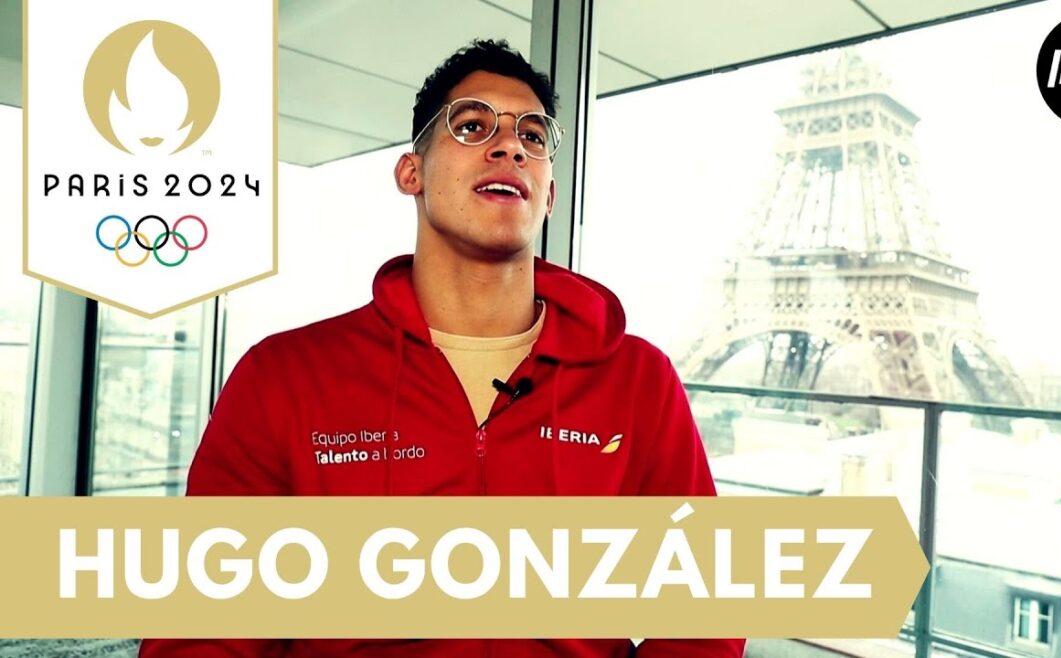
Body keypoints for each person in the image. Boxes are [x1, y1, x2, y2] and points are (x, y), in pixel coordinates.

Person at [139, 39, 745, 658]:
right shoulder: (284, 376)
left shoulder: (637, 379)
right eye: (473, 126)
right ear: (412, 173)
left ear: (549, 195)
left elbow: (704, 612)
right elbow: (202, 625)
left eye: (533, 136)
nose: (511, 146)